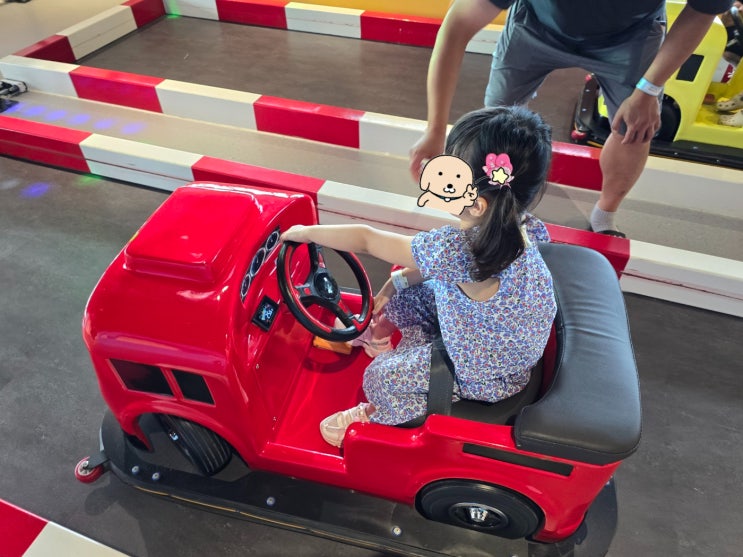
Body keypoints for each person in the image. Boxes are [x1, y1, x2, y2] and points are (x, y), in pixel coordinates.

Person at [281, 106, 557, 447]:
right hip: (490, 333)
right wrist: (394, 283)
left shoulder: (461, 249)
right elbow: (438, 267)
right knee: (404, 286)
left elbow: (367, 239)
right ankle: (376, 336)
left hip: (484, 370)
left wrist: (306, 232)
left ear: (477, 204)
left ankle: (376, 415)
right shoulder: (522, 224)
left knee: (380, 378)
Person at [409, 0, 733, 237]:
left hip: (630, 36)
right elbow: (457, 27)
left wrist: (649, 88)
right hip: (535, 25)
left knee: (635, 129)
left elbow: (703, 10)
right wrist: (435, 130)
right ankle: (496, 203)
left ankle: (605, 216)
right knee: (498, 117)